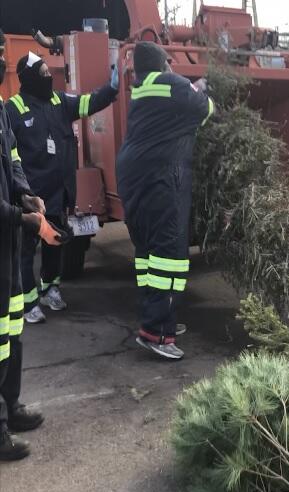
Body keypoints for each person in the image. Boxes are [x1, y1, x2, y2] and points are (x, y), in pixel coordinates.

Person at [116, 41, 214, 360]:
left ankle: (155, 316)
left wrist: (192, 89)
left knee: (147, 253)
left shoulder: (142, 88)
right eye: (169, 62)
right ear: (163, 64)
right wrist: (204, 90)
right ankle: (157, 333)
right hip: (162, 178)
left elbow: (176, 108)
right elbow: (205, 110)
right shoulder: (170, 83)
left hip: (134, 177)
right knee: (170, 256)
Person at [6, 52, 119, 324]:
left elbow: (88, 103)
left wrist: (112, 88)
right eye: (43, 73)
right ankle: (30, 303)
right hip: (30, 196)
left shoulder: (59, 101)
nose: (48, 77)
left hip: (58, 193)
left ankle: (50, 289)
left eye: (48, 71)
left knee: (55, 244)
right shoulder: (14, 108)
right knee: (25, 250)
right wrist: (19, 192)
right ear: (29, 78)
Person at [0, 29, 59, 462]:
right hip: (7, 230)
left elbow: (13, 158)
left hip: (8, 244)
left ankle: (11, 407)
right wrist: (23, 217)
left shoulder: (1, 112)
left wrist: (25, 193)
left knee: (11, 332)